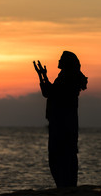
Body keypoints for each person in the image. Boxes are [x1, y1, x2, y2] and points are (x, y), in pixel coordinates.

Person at [33, 51, 88, 188]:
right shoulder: (67, 77)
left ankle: (66, 186)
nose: (58, 61)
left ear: (66, 62)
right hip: (64, 123)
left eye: (61, 59)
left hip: (62, 123)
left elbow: (50, 93)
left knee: (59, 156)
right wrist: (42, 75)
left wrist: (42, 75)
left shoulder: (67, 78)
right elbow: (50, 92)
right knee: (64, 156)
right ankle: (67, 186)